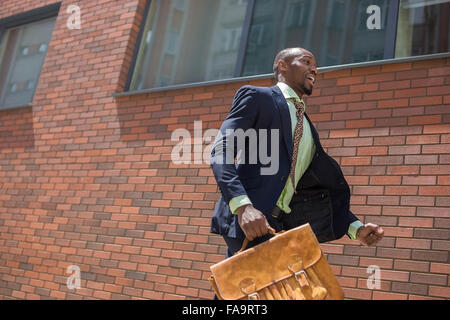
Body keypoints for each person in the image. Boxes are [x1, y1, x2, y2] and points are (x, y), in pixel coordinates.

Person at [210, 47, 384, 257]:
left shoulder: (307, 126)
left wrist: (355, 228)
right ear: (282, 65)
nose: (315, 69)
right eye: (307, 62)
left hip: (280, 226)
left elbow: (310, 188)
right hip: (252, 222)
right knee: (284, 288)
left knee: (240, 288)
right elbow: (221, 150)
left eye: (316, 66)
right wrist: (243, 207)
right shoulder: (258, 97)